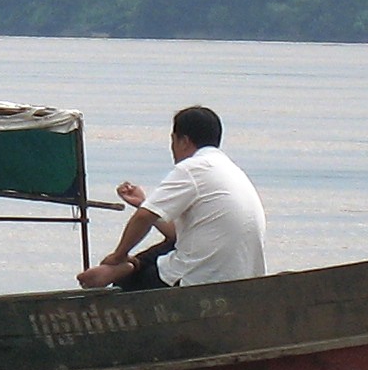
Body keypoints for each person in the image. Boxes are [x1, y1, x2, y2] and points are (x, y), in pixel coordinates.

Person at [77, 105, 265, 291]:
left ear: (183, 140)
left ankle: (127, 269)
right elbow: (174, 235)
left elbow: (143, 218)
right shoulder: (230, 169)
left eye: (173, 140)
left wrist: (118, 256)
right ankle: (132, 266)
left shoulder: (192, 168)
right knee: (171, 245)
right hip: (244, 276)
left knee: (126, 284)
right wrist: (143, 202)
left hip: (202, 278)